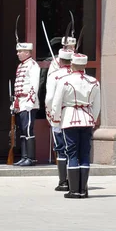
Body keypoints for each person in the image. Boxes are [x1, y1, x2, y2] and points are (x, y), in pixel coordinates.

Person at [50, 53, 100, 199]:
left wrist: (56, 121)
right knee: (84, 154)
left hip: (70, 119)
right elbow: (97, 106)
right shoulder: (94, 82)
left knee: (72, 153)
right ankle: (83, 189)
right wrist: (93, 119)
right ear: (84, 65)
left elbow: (56, 103)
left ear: (72, 64)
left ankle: (74, 190)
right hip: (87, 118)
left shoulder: (64, 81)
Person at [45, 48, 73, 191]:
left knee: (61, 149)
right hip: (77, 117)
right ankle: (76, 181)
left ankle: (63, 182)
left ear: (60, 60)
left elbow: (50, 98)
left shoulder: (55, 76)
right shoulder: (80, 75)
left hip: (60, 116)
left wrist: (50, 115)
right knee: (74, 149)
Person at [11, 42, 40, 166]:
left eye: (20, 51)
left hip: (28, 102)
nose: (18, 54)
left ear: (27, 52)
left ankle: (31, 158)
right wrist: (14, 102)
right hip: (20, 102)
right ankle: (24, 156)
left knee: (28, 129)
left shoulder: (33, 65)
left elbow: (34, 85)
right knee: (22, 130)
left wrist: (31, 100)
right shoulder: (21, 65)